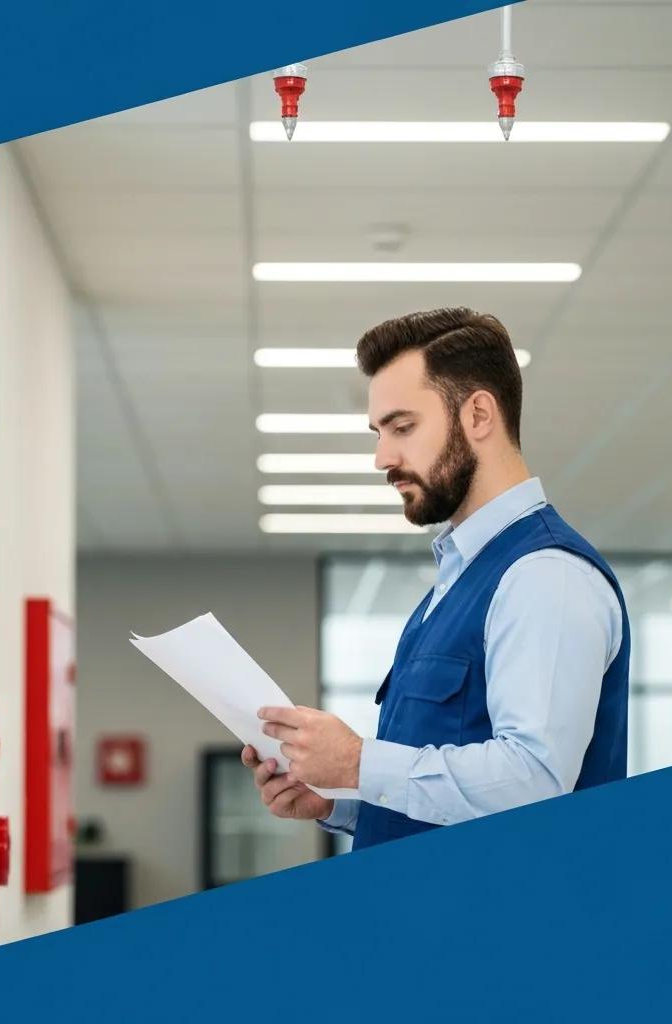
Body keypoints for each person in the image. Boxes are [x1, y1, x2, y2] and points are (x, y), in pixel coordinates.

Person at [242, 307, 630, 849]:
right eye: (378, 433)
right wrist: (342, 797)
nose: (382, 457)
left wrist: (359, 761)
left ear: (477, 415)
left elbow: (537, 781)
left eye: (403, 427)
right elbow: (446, 792)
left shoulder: (545, 575)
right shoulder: (454, 585)